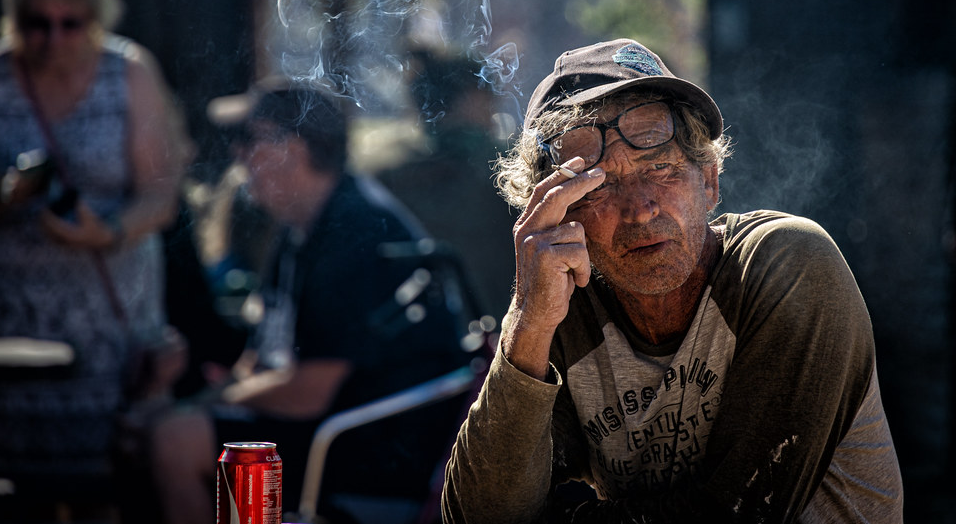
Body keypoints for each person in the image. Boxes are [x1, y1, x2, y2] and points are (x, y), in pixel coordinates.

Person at [442, 38, 903, 523]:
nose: (641, 209)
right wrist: (528, 322)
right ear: (557, 214)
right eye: (600, 186)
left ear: (709, 181)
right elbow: (477, 516)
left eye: (660, 169)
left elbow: (739, 514)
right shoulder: (560, 312)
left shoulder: (786, 265)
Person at [150, 78, 470, 523]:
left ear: (292, 150)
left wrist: (202, 408)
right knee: (153, 431)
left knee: (174, 442)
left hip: (365, 451)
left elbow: (309, 391)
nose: (237, 155)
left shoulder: (353, 231)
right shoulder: (299, 227)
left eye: (247, 139)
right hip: (327, 430)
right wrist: (201, 400)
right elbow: (260, 358)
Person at [0, 0, 186, 477]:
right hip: (6, 333)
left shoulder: (130, 75)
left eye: (69, 24)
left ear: (94, 17)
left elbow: (162, 194)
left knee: (102, 488)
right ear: (14, 18)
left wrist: (108, 231)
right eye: (36, 24)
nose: (52, 39)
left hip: (107, 332)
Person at [376, 49, 516, 321]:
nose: (494, 110)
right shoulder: (504, 164)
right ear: (472, 98)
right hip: (497, 333)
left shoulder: (389, 173)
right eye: (490, 98)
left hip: (415, 331)